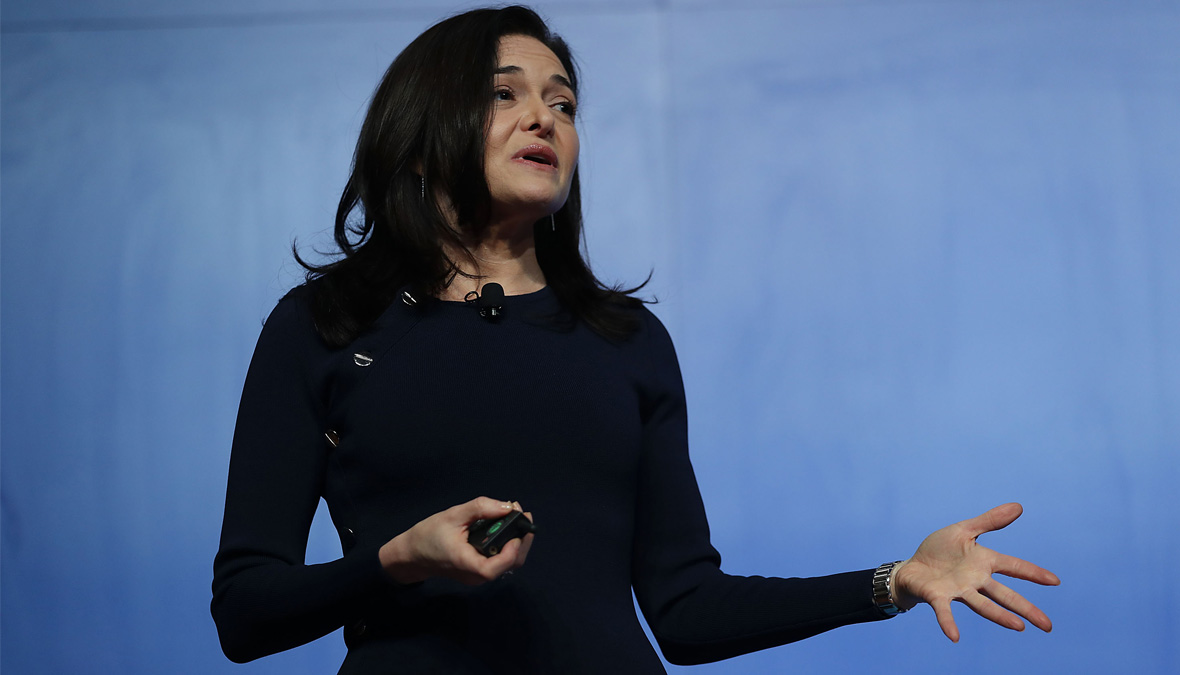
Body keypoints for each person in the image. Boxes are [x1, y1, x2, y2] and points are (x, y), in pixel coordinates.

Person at [211, 6, 1059, 673]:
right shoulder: (325, 326)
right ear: (422, 134)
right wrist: (394, 561)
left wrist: (894, 582)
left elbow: (687, 609)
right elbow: (245, 613)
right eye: (504, 93)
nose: (542, 117)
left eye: (563, 103)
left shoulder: (623, 339)